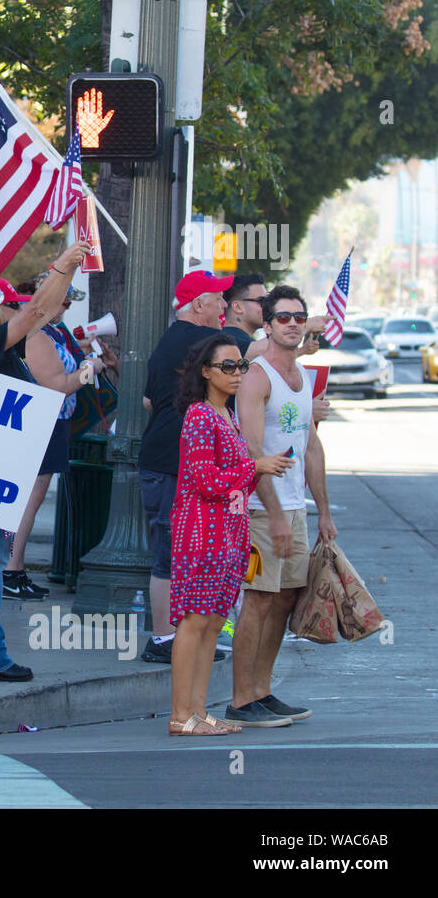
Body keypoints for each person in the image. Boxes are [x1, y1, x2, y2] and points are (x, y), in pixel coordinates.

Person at [0, 255, 90, 684]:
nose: (22, 314)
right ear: (0, 313)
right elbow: (38, 311)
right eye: (13, 307)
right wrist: (65, 266)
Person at [167, 335, 293, 735]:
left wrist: (255, 471)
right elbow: (204, 480)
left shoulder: (228, 417)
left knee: (215, 622)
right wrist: (255, 466)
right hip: (202, 530)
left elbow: (233, 483)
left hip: (230, 531)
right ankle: (180, 714)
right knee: (195, 621)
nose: (237, 373)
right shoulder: (200, 416)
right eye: (227, 366)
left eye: (240, 366)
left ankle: (199, 712)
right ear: (206, 371)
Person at [226, 285, 336, 728]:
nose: (292, 324)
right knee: (257, 599)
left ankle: (262, 690)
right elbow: (252, 452)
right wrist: (272, 515)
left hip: (294, 506)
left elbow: (311, 447)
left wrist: (323, 510)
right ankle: (239, 700)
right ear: (267, 325)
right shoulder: (256, 375)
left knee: (286, 597)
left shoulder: (301, 376)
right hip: (258, 508)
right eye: (284, 318)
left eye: (298, 317)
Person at [137, 271, 231, 663]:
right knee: (171, 553)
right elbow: (253, 354)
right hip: (171, 464)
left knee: (179, 553)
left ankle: (180, 637)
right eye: (219, 299)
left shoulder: (172, 341)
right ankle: (163, 640)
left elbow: (147, 402)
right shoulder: (199, 341)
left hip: (167, 461)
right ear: (198, 305)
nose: (224, 305)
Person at [2, 278, 104, 599]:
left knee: (32, 497)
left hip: (51, 423)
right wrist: (91, 368)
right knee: (28, 499)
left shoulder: (48, 332)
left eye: (69, 302)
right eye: (62, 300)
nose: (67, 306)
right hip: (42, 423)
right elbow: (58, 386)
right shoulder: (35, 335)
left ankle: (13, 567)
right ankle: (9, 568)